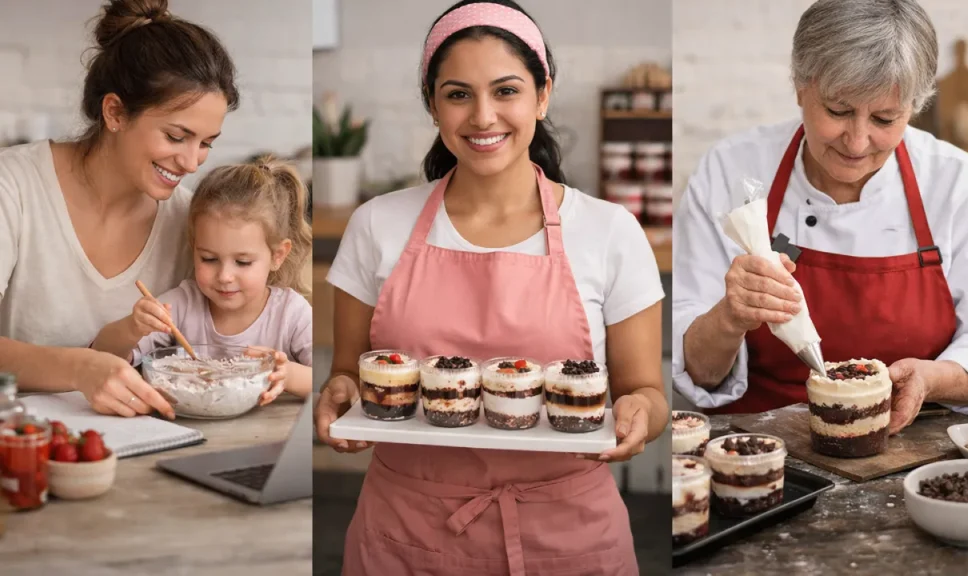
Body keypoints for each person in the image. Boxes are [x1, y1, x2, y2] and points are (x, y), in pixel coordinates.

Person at [314, 1, 666, 574]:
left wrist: (637, 416)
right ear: (432, 104)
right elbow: (349, 379)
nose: (483, 116)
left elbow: (648, 393)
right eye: (458, 94)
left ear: (542, 94)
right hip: (405, 533)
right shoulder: (376, 224)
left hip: (569, 536)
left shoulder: (610, 231)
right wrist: (338, 395)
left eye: (506, 91)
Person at [673, 0, 968, 433]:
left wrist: (933, 379)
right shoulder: (728, 171)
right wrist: (730, 317)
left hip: (908, 446)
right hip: (757, 449)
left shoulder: (959, 187)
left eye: (884, 118)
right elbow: (699, 372)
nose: (857, 142)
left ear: (913, 108)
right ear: (800, 86)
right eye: (838, 111)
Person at [0, 0, 240, 420]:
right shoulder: (14, 187)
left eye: (205, 143)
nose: (191, 162)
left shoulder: (190, 222)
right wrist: (80, 367)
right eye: (176, 136)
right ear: (114, 113)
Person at [91, 157, 314, 404]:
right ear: (194, 248)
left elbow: (327, 383)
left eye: (242, 262)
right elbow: (100, 355)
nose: (225, 277)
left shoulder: (291, 314)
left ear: (277, 255)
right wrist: (133, 327)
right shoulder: (181, 305)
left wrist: (287, 375)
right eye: (209, 259)